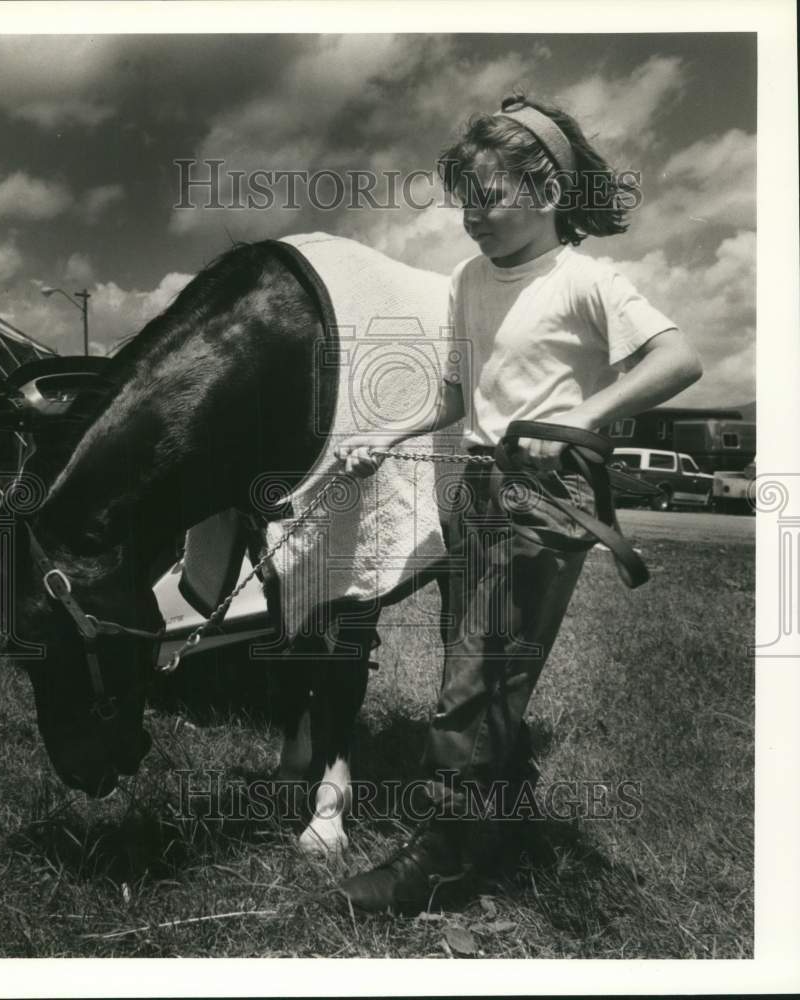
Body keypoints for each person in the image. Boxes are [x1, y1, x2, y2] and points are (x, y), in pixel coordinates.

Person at [333, 94, 703, 914]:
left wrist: (584, 416)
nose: (472, 217)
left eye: (489, 197)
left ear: (544, 190)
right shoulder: (468, 279)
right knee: (480, 664)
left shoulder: (586, 278)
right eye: (464, 200)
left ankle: (447, 856)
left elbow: (680, 359)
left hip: (544, 496)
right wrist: (388, 436)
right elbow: (458, 394)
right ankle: (500, 823)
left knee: (478, 675)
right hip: (476, 488)